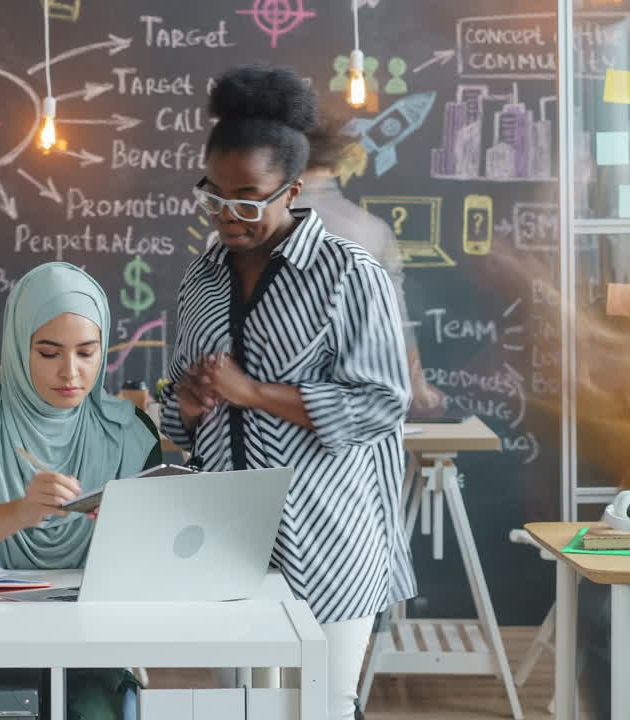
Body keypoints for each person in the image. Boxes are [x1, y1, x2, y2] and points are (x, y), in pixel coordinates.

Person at [160, 65, 416, 720]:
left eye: (248, 198)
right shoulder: (201, 278)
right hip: (227, 539)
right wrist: (186, 404)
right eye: (214, 195)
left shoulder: (348, 274)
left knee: (321, 705)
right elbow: (180, 410)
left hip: (329, 535)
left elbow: (381, 401)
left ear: (292, 191)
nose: (228, 214)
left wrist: (253, 392)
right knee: (247, 706)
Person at [0, 262, 161, 720]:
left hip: (90, 639)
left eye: (87, 352)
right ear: (19, 346)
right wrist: (18, 513)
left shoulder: (129, 433)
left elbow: (155, 562)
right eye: (48, 352)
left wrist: (126, 534)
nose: (70, 372)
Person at [301, 114, 443, 411]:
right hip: (356, 396)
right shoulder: (372, 229)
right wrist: (416, 384)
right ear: (337, 166)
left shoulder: (257, 224)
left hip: (269, 396)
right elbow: (396, 316)